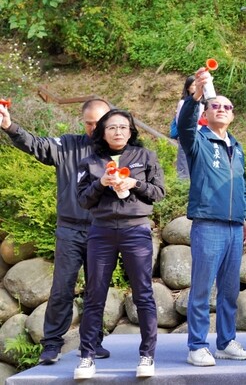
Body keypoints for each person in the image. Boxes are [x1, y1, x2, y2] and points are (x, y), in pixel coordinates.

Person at [0, 98, 111, 364]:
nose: (94, 128)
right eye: (89, 123)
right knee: (62, 287)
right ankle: (51, 344)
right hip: (70, 229)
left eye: (99, 123)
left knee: (97, 289)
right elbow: (37, 145)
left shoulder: (119, 149)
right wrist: (9, 126)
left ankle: (93, 341)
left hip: (103, 229)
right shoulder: (68, 145)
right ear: (83, 121)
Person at [74, 110, 165, 379]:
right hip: (101, 232)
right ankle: (86, 357)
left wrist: (134, 182)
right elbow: (82, 200)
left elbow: (158, 193)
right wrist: (101, 182)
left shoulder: (145, 157)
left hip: (135, 230)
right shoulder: (89, 161)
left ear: (131, 131)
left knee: (144, 293)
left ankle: (147, 355)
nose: (118, 132)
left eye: (123, 127)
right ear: (102, 131)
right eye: (112, 127)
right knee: (94, 295)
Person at [180, 68, 246, 367]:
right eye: (216, 105)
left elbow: (242, 186)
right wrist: (194, 97)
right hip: (208, 225)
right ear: (206, 112)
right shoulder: (198, 141)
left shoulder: (237, 148)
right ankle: (197, 345)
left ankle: (225, 342)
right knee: (201, 289)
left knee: (229, 290)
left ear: (233, 115)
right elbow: (184, 125)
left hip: (235, 227)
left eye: (227, 107)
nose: (222, 109)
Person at [174, 75, 197, 180]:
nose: (195, 87)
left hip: (199, 136)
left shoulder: (203, 103)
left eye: (197, 85)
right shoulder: (183, 103)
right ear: (188, 87)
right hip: (186, 136)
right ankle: (183, 186)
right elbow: (180, 121)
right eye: (193, 85)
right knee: (183, 163)